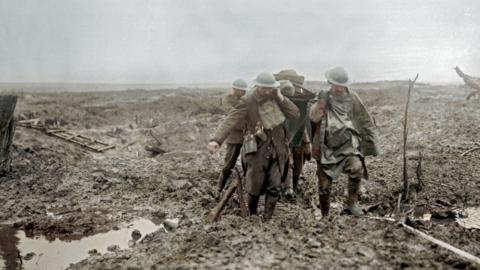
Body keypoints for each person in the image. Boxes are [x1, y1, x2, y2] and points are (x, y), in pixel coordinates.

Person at [208, 72, 300, 221]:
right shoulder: (249, 99)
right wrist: (217, 140)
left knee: (275, 186)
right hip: (257, 148)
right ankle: (252, 216)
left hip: (278, 147)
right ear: (257, 86)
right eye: (263, 88)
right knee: (254, 186)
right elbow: (232, 118)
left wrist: (281, 98)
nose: (266, 91)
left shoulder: (278, 98)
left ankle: (267, 219)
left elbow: (295, 114)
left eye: (269, 88)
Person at [309, 67, 379, 217]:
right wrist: (321, 103)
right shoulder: (324, 97)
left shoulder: (352, 98)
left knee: (356, 168)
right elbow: (314, 118)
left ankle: (352, 203)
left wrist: (371, 141)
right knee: (324, 185)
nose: (337, 88)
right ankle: (324, 214)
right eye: (334, 84)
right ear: (330, 83)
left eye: (340, 85)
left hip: (348, 146)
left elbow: (365, 119)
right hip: (326, 148)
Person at [274, 70, 315, 199]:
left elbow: (302, 122)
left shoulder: (303, 100)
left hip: (299, 136)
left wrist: (307, 142)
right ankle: (284, 188)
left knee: (298, 162)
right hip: (279, 136)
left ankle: (293, 188)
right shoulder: (276, 98)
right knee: (282, 163)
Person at [216, 79, 249, 198]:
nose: (241, 92)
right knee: (228, 165)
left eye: (243, 90)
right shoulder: (228, 99)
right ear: (234, 89)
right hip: (234, 136)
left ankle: (246, 190)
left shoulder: (247, 99)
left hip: (248, 137)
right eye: (239, 90)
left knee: (249, 165)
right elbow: (232, 115)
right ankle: (219, 189)